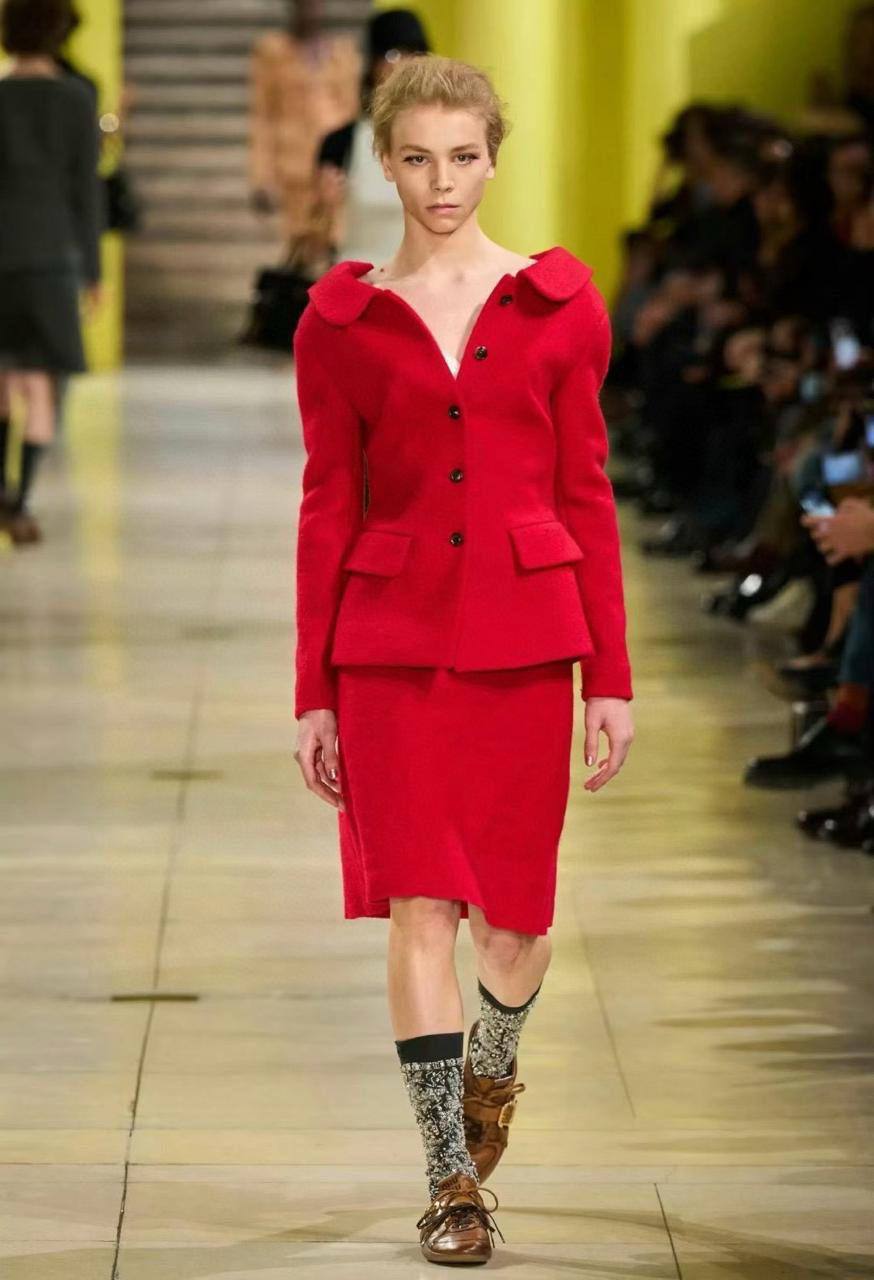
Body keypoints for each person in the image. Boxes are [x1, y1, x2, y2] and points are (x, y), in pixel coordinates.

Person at [292, 54, 634, 1265]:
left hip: (528, 644)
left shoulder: (558, 308)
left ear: (494, 158)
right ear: (386, 165)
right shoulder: (341, 322)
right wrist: (312, 692)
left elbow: (586, 491)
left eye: (464, 156)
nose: (442, 181)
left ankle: (493, 1061)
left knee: (514, 924)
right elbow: (327, 504)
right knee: (419, 905)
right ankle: (449, 1178)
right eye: (418, 158)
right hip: (389, 648)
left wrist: (613, 677)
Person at [0, 0, 103, 546]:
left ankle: (0, 487)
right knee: (40, 382)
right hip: (51, 258)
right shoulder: (76, 100)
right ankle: (21, 502)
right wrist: (93, 272)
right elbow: (85, 192)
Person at [313, 8, 431, 265]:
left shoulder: (442, 139)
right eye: (393, 54)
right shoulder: (341, 143)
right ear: (373, 64)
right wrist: (326, 208)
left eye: (415, 54)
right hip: (359, 278)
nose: (404, 65)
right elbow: (316, 239)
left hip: (424, 278)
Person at [248, 0, 361, 247]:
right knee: (301, 246)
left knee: (338, 243)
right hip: (294, 169)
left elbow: (353, 111)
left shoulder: (341, 53)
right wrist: (262, 178)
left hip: (334, 167)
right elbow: (263, 117)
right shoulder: (273, 53)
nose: (310, 8)